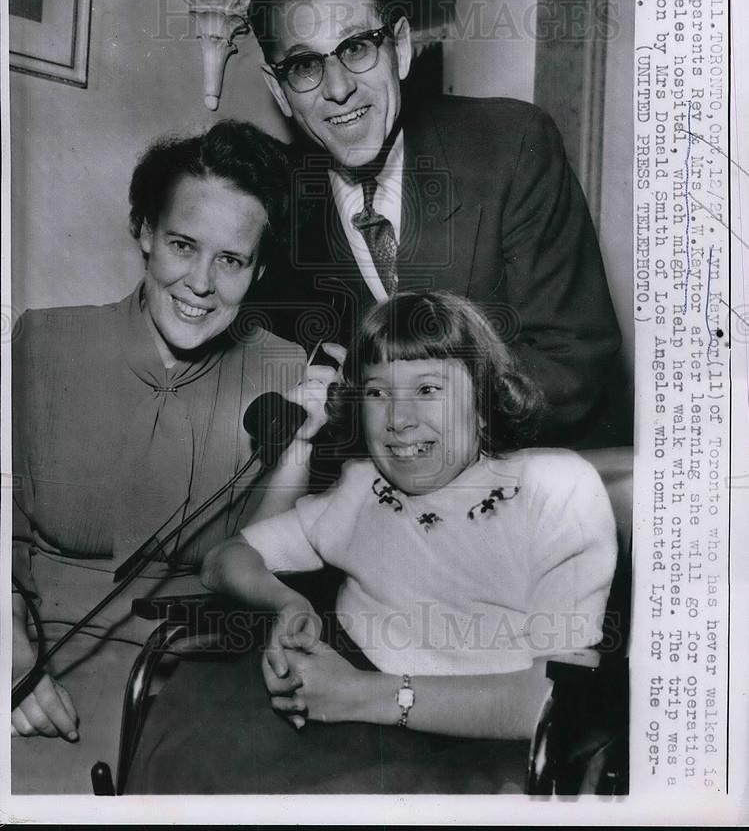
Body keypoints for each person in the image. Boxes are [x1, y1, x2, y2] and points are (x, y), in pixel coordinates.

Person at [126, 290, 617, 794]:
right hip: (341, 692)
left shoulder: (556, 487)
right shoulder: (362, 486)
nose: (398, 419)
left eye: (428, 389)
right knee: (190, 730)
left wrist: (361, 695)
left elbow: (553, 699)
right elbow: (225, 560)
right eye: (379, 393)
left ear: (487, 402)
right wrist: (287, 605)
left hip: (474, 738)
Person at [10, 120, 336, 793]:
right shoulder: (45, 342)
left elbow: (258, 551)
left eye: (232, 260)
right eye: (183, 246)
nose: (200, 283)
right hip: (35, 664)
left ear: (259, 269)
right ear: (145, 234)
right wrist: (9, 654)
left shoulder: (282, 368)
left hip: (197, 681)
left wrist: (303, 443)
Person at [247, 0, 624, 448]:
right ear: (279, 91)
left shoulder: (512, 145)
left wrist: (404, 410)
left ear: (399, 48)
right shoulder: (278, 206)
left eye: (357, 47)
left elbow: (574, 362)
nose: (337, 89)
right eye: (304, 66)